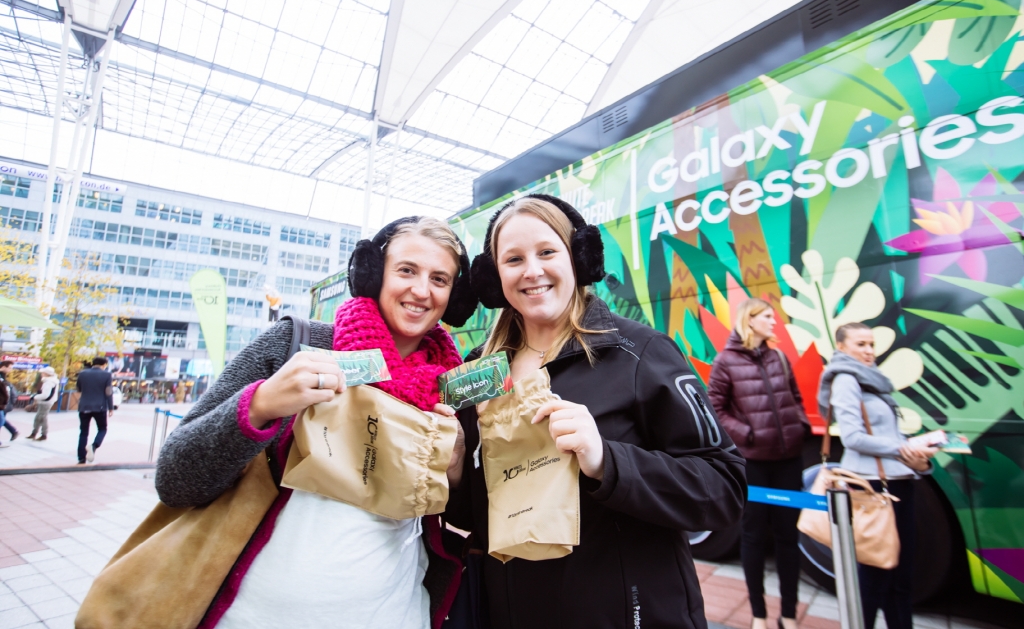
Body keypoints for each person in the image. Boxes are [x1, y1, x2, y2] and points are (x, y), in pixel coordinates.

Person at [155, 217, 478, 629]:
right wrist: (260, 406)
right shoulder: (296, 345)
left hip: (396, 613)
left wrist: (454, 471)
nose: (421, 290)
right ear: (372, 274)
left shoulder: (450, 384)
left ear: (455, 295)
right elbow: (175, 478)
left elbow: (460, 515)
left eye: (439, 278)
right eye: (407, 271)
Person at [447, 195, 747, 629]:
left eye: (547, 252)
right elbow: (472, 516)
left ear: (579, 258)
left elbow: (725, 488)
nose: (532, 271)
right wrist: (456, 469)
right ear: (494, 277)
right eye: (513, 259)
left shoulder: (640, 352)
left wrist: (608, 461)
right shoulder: (478, 372)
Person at [819, 323, 936, 629]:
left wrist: (920, 460)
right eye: (861, 344)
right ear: (842, 347)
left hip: (900, 484)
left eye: (871, 344)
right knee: (875, 579)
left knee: (901, 579)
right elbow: (853, 438)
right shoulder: (845, 378)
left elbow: (888, 434)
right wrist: (904, 447)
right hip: (871, 487)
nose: (869, 351)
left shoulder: (874, 380)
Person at [707, 298, 810, 629]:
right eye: (768, 317)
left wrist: (800, 426)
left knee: (787, 538)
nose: (773, 323)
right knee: (751, 537)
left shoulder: (779, 356)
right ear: (749, 320)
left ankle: (790, 615)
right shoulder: (726, 361)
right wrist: (746, 434)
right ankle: (759, 615)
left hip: (788, 461)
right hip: (753, 463)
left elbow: (795, 397)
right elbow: (716, 409)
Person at [76, 356, 114, 464]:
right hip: (100, 407)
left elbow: (78, 388)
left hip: (84, 406)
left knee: (83, 432)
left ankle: (81, 458)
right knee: (102, 429)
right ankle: (93, 446)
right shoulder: (107, 375)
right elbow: (108, 392)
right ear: (104, 365)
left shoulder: (82, 373)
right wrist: (111, 407)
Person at [27, 367, 59, 441]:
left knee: (41, 418)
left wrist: (35, 397)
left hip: (45, 402)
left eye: (43, 373)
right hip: (47, 401)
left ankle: (41, 434)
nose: (41, 374)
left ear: (46, 374)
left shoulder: (49, 382)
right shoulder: (52, 381)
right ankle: (37, 433)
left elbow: (45, 395)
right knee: (41, 418)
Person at [0, 360, 20, 443]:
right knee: (1, 420)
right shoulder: (1, 377)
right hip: (2, 403)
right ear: (3, 367)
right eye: (10, 368)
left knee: (1, 420)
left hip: (3, 403)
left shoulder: (3, 377)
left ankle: (13, 431)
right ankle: (13, 431)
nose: (11, 370)